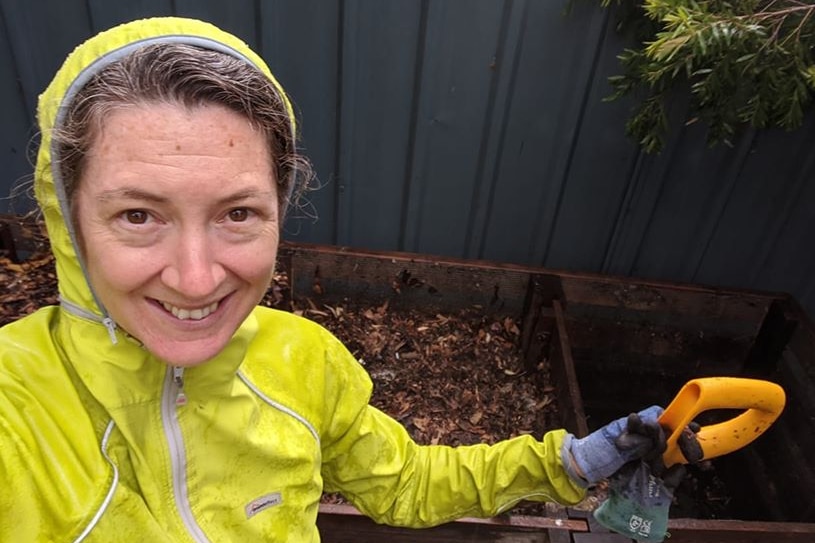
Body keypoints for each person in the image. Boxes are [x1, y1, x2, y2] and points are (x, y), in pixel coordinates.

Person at [0, 17, 673, 542]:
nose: (197, 277)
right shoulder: (17, 413)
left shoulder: (305, 364)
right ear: (69, 220)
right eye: (139, 214)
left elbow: (405, 482)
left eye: (237, 212)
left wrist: (569, 463)